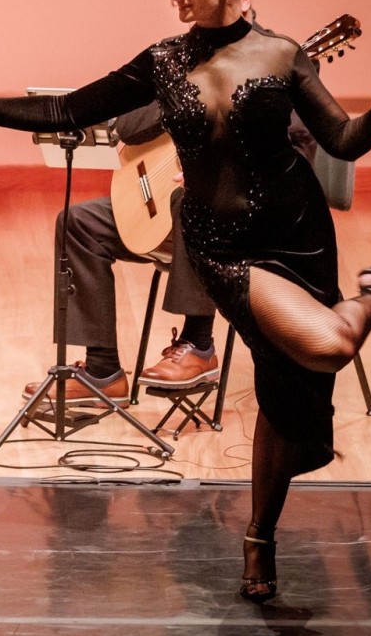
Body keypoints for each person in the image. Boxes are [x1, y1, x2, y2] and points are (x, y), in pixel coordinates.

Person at [0, 0, 371, 603]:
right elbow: (69, 106)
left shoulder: (282, 54)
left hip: (299, 234)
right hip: (222, 248)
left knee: (285, 398)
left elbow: (343, 140)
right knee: (329, 342)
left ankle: (258, 540)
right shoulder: (162, 61)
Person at [21, 102, 221, 408]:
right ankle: (103, 371)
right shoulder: (183, 62)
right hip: (164, 200)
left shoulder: (273, 73)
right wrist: (186, 95)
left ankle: (199, 344)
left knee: (195, 203)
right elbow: (129, 127)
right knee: (78, 223)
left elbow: (295, 150)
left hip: (231, 217)